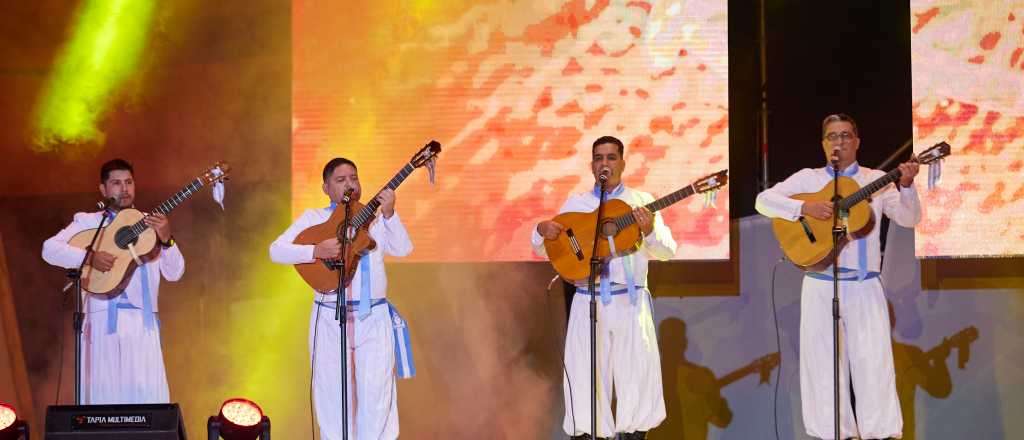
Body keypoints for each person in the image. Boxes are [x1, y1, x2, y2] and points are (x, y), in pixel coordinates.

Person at [755, 113, 921, 439]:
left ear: (857, 142)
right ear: (823, 144)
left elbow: (909, 218)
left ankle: (879, 434)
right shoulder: (808, 179)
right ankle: (833, 434)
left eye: (846, 136)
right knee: (823, 365)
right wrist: (804, 209)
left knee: (873, 364)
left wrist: (907, 186)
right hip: (819, 283)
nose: (839, 142)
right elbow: (763, 201)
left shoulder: (877, 178)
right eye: (833, 136)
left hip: (864, 283)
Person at [532, 135, 678, 440]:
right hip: (588, 300)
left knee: (635, 377)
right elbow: (547, 249)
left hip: (630, 302)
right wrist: (540, 230)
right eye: (599, 158)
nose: (605, 163)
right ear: (591, 165)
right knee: (587, 376)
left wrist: (649, 230)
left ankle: (633, 435)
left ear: (622, 163)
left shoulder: (641, 202)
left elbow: (667, 251)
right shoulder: (578, 204)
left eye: (611, 158)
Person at [269, 157, 413, 440]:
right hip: (329, 315)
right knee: (332, 395)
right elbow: (276, 251)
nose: (351, 184)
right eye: (341, 180)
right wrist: (315, 251)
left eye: (354, 178)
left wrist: (391, 214)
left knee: (377, 395)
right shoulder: (314, 219)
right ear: (326, 187)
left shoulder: (377, 218)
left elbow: (404, 249)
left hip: (374, 316)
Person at [42, 158, 183, 404]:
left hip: (142, 323)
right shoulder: (88, 222)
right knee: (101, 402)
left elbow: (175, 273)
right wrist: (89, 257)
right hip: (99, 322)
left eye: (129, 182)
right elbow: (49, 249)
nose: (124, 189)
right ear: (103, 190)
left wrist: (167, 240)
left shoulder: (151, 223)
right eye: (116, 183)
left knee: (146, 402)